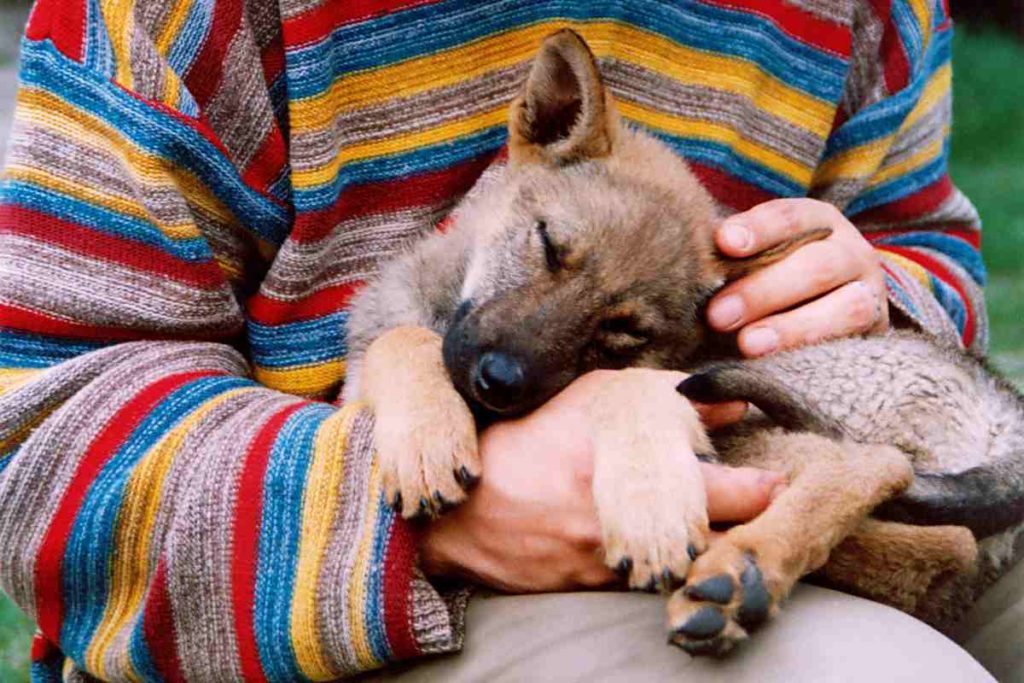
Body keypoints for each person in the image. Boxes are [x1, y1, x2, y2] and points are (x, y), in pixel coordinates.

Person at [0, 0, 1014, 680]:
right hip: (349, 608)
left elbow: (920, 243)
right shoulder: (182, 21)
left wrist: (872, 298)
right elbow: (43, 449)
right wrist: (426, 518)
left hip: (783, 474)